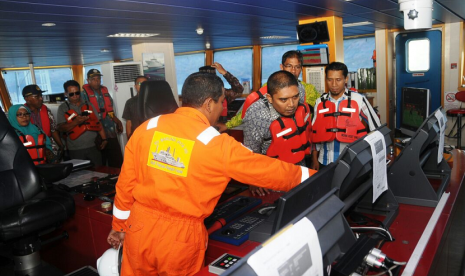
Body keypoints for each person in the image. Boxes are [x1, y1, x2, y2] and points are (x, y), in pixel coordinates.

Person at [106, 72, 316, 276]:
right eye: (221, 102)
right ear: (208, 104)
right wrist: (314, 177)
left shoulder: (147, 128)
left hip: (138, 229)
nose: (222, 108)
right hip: (179, 239)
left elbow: (125, 185)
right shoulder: (215, 143)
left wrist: (119, 227)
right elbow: (266, 169)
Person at [243, 70, 312, 196]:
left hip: (299, 168)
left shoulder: (298, 91)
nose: (291, 105)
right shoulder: (256, 115)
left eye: (295, 98)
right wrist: (252, 181)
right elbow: (250, 152)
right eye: (283, 100)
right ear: (269, 98)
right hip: (273, 177)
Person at [311, 62, 381, 170]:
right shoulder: (319, 102)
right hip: (324, 161)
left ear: (346, 79)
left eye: (338, 80)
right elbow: (315, 133)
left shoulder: (358, 100)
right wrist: (314, 160)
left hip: (352, 161)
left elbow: (376, 128)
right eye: (330, 79)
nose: (334, 84)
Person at [226, 50, 320, 129]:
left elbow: (319, 115)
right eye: (289, 66)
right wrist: (228, 125)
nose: (293, 70)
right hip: (275, 139)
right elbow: (250, 110)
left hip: (301, 140)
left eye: (297, 67)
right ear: (281, 67)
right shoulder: (269, 86)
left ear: (301, 69)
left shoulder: (309, 89)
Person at [57, 80, 108, 166]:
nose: (75, 96)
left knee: (99, 171)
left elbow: (98, 122)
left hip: (94, 147)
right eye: (71, 94)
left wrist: (104, 139)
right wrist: (75, 122)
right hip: (76, 149)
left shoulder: (89, 104)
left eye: (77, 93)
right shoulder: (62, 108)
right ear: (66, 94)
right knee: (81, 175)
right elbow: (61, 128)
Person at [81, 69, 124, 168]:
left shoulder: (105, 92)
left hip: (110, 131)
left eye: (98, 78)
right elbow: (85, 114)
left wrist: (117, 121)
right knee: (101, 162)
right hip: (96, 133)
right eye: (94, 79)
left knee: (116, 159)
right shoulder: (83, 95)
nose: (97, 81)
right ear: (88, 80)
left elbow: (109, 111)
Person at [23, 84, 64, 160]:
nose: (41, 98)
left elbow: (53, 129)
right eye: (37, 97)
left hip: (51, 148)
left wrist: (61, 146)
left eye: (41, 96)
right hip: (33, 150)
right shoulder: (22, 114)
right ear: (27, 99)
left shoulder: (46, 110)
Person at [122, 76, 148, 140]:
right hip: (136, 136)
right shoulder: (130, 102)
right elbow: (129, 122)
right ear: (135, 86)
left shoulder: (154, 101)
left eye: (144, 83)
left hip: (151, 135)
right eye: (139, 83)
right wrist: (129, 138)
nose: (142, 85)